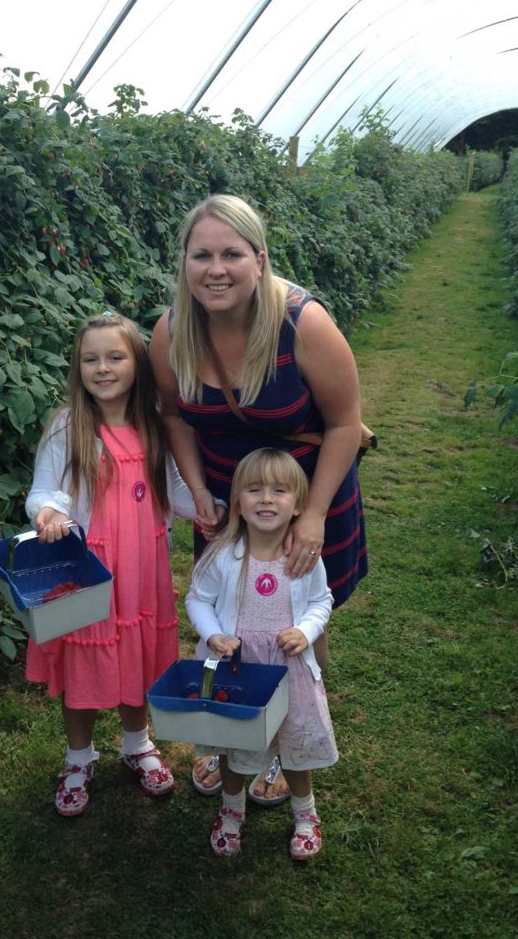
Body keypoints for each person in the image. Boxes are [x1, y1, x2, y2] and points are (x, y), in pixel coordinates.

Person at [150, 193, 370, 805]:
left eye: (231, 254)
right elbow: (173, 414)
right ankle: (232, 732)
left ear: (260, 259)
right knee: (231, 612)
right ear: (184, 263)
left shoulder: (303, 323)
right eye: (202, 255)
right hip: (227, 499)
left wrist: (316, 515)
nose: (215, 269)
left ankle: (292, 736)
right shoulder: (173, 330)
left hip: (302, 490)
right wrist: (197, 491)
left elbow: (346, 424)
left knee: (298, 611)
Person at [25, 311, 203, 816]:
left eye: (115, 357)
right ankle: (78, 758)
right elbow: (42, 487)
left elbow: (175, 494)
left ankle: (136, 744)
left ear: (137, 364)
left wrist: (211, 508)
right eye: (90, 359)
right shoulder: (68, 425)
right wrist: (49, 511)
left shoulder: (153, 425)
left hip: (143, 570)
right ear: (77, 367)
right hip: (88, 575)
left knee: (140, 659)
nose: (102, 368)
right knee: (84, 666)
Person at [185, 449, 336, 859]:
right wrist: (214, 633)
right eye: (254, 490)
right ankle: (232, 812)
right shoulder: (223, 555)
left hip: (289, 672)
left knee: (292, 747)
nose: (266, 499)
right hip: (240, 670)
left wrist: (304, 632)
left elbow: (322, 602)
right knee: (236, 745)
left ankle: (305, 814)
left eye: (279, 491)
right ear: (238, 502)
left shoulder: (304, 558)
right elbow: (197, 599)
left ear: (298, 504)